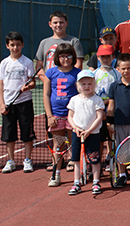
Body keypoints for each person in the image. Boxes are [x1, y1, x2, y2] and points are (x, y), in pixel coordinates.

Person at [42, 43, 81, 186]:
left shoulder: (78, 73)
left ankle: (78, 175)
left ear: (73, 57)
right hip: (56, 117)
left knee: (74, 145)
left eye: (69, 55)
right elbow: (46, 95)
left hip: (73, 116)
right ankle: (56, 175)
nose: (65, 59)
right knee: (58, 147)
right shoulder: (50, 73)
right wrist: (49, 116)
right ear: (57, 57)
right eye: (62, 56)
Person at [0, 32, 37, 174]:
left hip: (24, 102)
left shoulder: (27, 62)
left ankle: (27, 160)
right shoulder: (4, 63)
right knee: (9, 134)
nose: (15, 47)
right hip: (8, 103)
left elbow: (33, 82)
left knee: (27, 133)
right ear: (7, 46)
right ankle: (11, 161)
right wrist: (2, 104)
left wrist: (28, 86)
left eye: (18, 45)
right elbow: (0, 84)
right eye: (12, 45)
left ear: (22, 45)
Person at [106, 54, 130, 188]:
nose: (126, 71)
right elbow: (111, 106)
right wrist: (109, 122)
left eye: (129, 68)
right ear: (118, 69)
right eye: (123, 68)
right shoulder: (114, 86)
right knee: (120, 150)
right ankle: (122, 175)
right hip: (119, 124)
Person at [67, 70, 106, 195]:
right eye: (83, 84)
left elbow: (99, 117)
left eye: (89, 84)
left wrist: (89, 130)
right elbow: (70, 117)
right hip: (77, 134)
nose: (86, 86)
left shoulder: (97, 100)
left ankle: (95, 182)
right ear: (78, 85)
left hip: (93, 134)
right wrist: (76, 128)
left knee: (94, 159)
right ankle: (77, 183)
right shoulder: (74, 100)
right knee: (76, 159)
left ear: (93, 84)